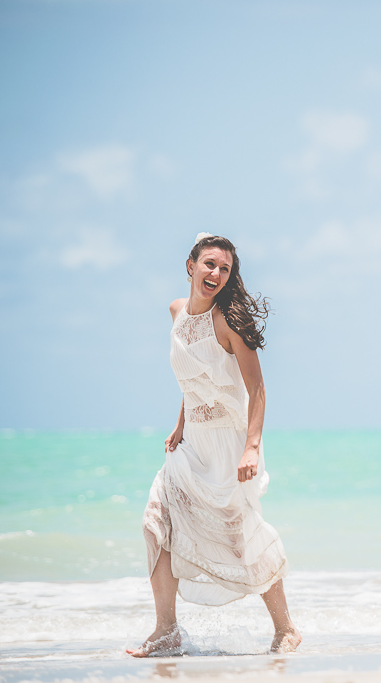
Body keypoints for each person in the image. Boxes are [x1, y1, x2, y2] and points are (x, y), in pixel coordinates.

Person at [127, 233, 301, 657]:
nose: (216, 273)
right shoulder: (176, 312)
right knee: (157, 520)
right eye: (209, 264)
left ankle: (286, 629)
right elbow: (193, 377)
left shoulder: (228, 321)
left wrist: (251, 447)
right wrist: (180, 423)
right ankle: (166, 630)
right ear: (191, 266)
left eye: (224, 268)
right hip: (191, 442)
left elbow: (256, 389)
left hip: (228, 443)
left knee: (240, 537)